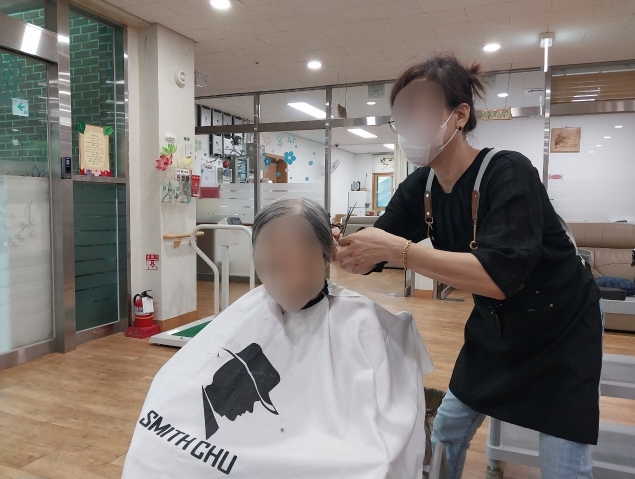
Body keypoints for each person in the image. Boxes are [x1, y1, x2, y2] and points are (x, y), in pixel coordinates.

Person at [334, 55, 603, 479]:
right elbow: (372, 250)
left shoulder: (508, 172)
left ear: (459, 115)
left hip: (562, 327)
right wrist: (335, 247)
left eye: (419, 109)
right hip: (495, 328)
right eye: (402, 114)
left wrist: (399, 250)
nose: (408, 124)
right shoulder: (420, 186)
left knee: (563, 462)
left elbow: (499, 276)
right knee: (447, 430)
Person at [122, 197, 434, 479]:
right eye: (270, 251)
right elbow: (174, 398)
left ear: (327, 254)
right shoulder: (248, 312)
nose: (281, 263)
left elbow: (379, 446)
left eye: (295, 249)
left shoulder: (364, 324)